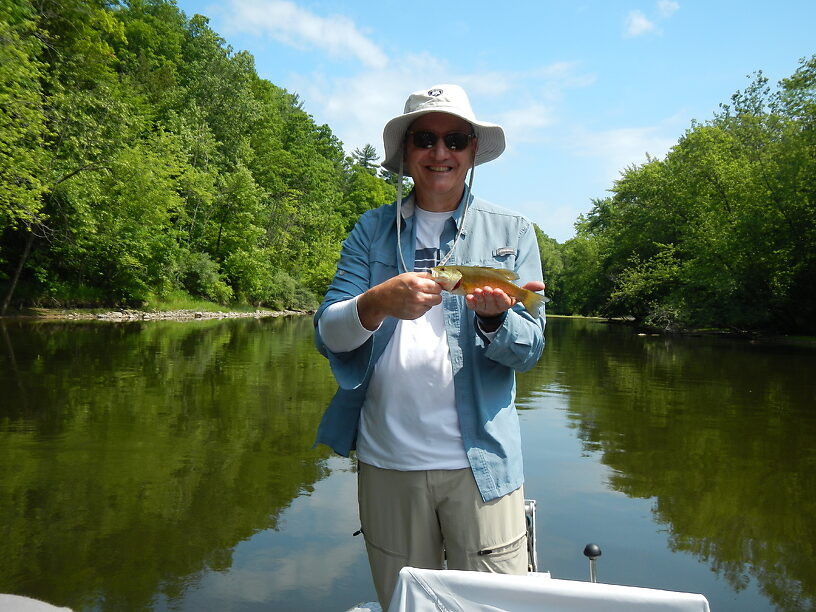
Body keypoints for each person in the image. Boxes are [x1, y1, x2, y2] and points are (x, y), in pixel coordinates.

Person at [313, 84, 546, 608]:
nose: (440, 153)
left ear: (471, 152)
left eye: (456, 140)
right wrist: (376, 301)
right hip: (387, 461)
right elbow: (328, 334)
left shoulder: (513, 231)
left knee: (493, 605)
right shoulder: (371, 231)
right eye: (425, 138)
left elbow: (530, 350)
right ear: (406, 152)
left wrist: (495, 322)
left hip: (482, 466)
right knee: (404, 603)